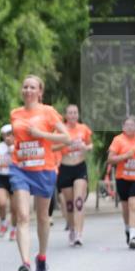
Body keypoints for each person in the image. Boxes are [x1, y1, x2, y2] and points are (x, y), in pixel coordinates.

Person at [8, 75, 70, 271]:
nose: (27, 90)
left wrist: (40, 133)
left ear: (40, 92)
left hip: (44, 169)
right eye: (25, 86)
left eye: (32, 87)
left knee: (43, 216)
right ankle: (25, 264)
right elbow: (17, 141)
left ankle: (41, 258)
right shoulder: (15, 114)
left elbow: (66, 137)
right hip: (20, 169)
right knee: (23, 216)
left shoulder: (48, 112)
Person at [107, 115, 135, 249]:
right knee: (126, 208)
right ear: (123, 127)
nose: (130, 127)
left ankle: (133, 236)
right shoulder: (118, 140)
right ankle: (128, 229)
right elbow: (110, 159)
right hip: (122, 178)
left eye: (132, 125)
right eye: (127, 125)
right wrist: (125, 156)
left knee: (134, 204)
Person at [52, 105, 93, 246]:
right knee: (69, 205)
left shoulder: (83, 129)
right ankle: (72, 229)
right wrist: (65, 144)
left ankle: (79, 234)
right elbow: (51, 147)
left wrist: (86, 148)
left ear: (78, 114)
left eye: (75, 112)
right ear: (66, 115)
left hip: (80, 167)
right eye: (70, 113)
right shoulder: (60, 130)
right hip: (65, 168)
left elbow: (90, 145)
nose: (73, 115)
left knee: (78, 202)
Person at [0, 125, 16, 239]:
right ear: (2, 136)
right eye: (5, 135)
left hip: (14, 178)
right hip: (1, 177)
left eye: (10, 135)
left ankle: (14, 229)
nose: (7, 138)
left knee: (14, 208)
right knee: (2, 203)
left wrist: (14, 151)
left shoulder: (18, 146)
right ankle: (3, 223)